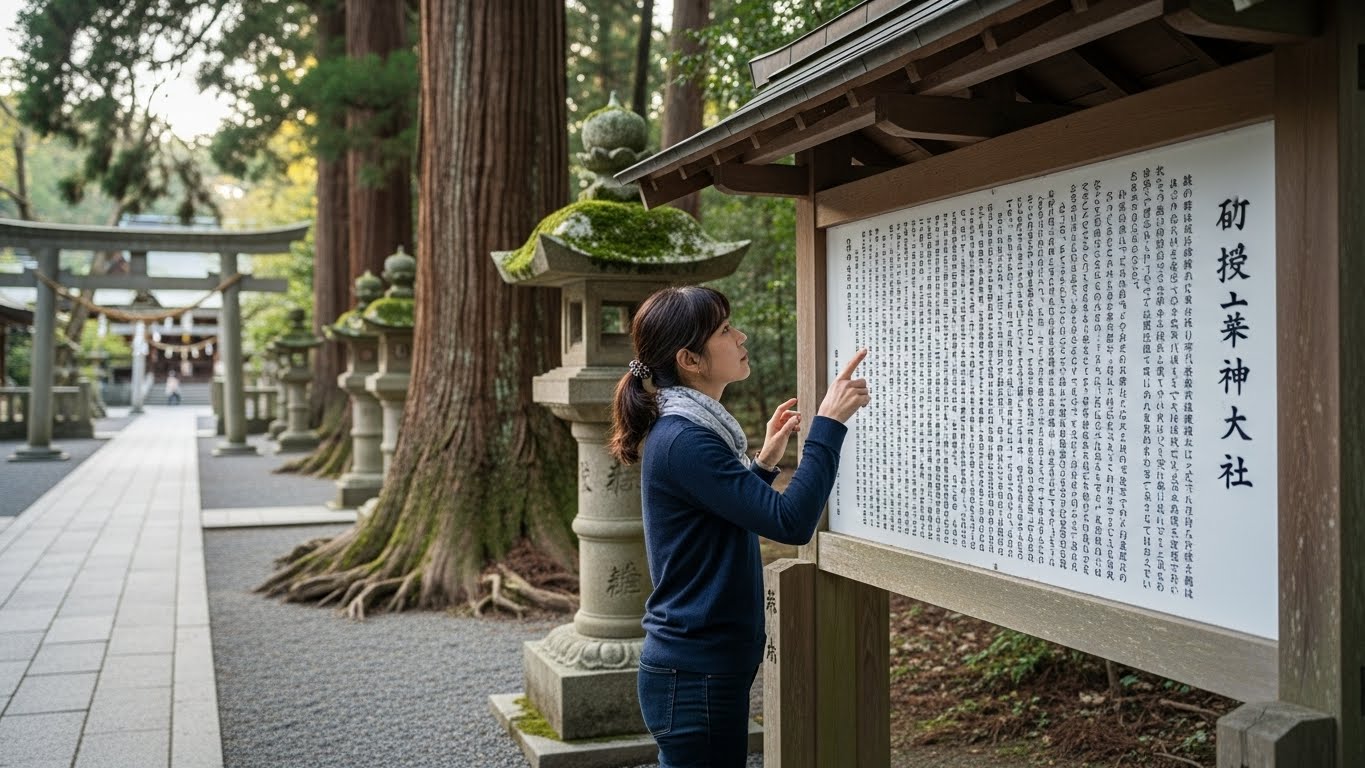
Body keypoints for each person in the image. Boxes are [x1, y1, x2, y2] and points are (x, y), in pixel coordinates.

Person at [608, 285, 871, 767]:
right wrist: (829, 424)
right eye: (726, 330)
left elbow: (716, 518)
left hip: (697, 667)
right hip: (693, 673)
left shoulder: (687, 430)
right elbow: (789, 523)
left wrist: (764, 465)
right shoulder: (685, 439)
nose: (741, 335)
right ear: (690, 358)